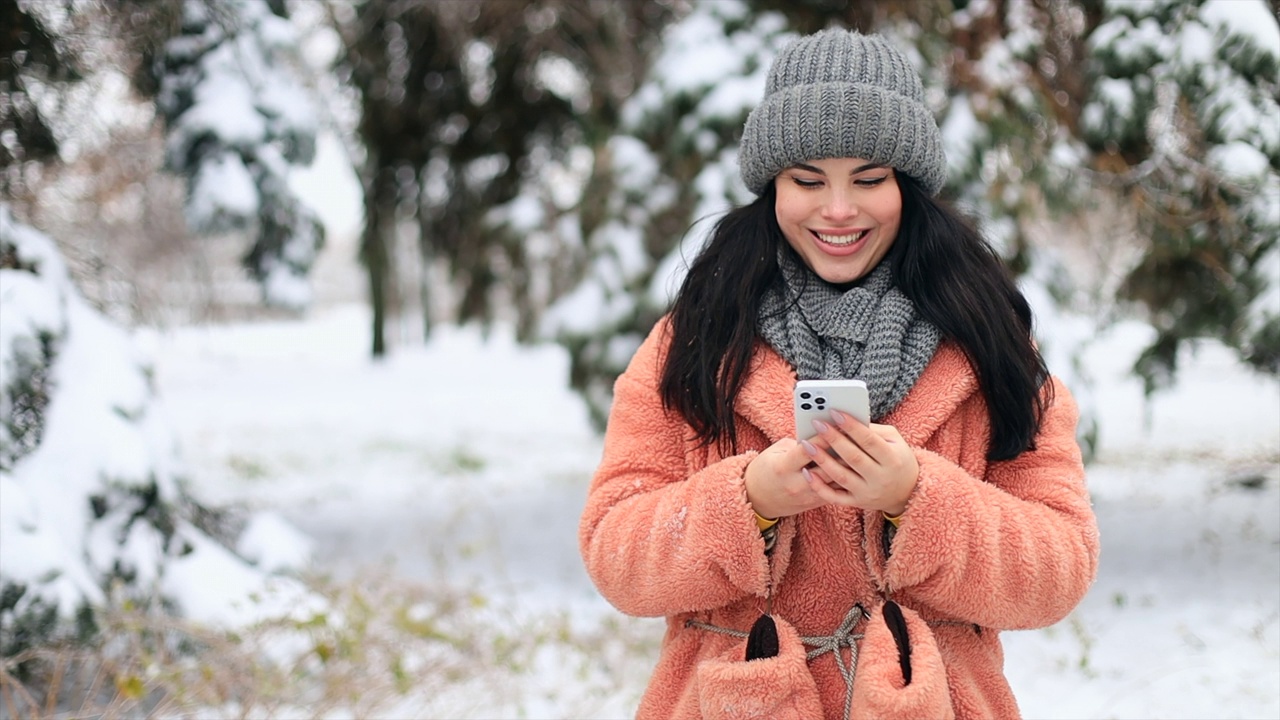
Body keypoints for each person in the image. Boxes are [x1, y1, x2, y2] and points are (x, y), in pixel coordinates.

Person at [578, 26, 1100, 720]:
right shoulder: (695, 338)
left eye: (869, 178)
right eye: (807, 179)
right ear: (772, 187)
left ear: (908, 187)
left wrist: (918, 498)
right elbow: (615, 553)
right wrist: (748, 501)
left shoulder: (987, 342)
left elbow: (1059, 567)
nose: (838, 209)